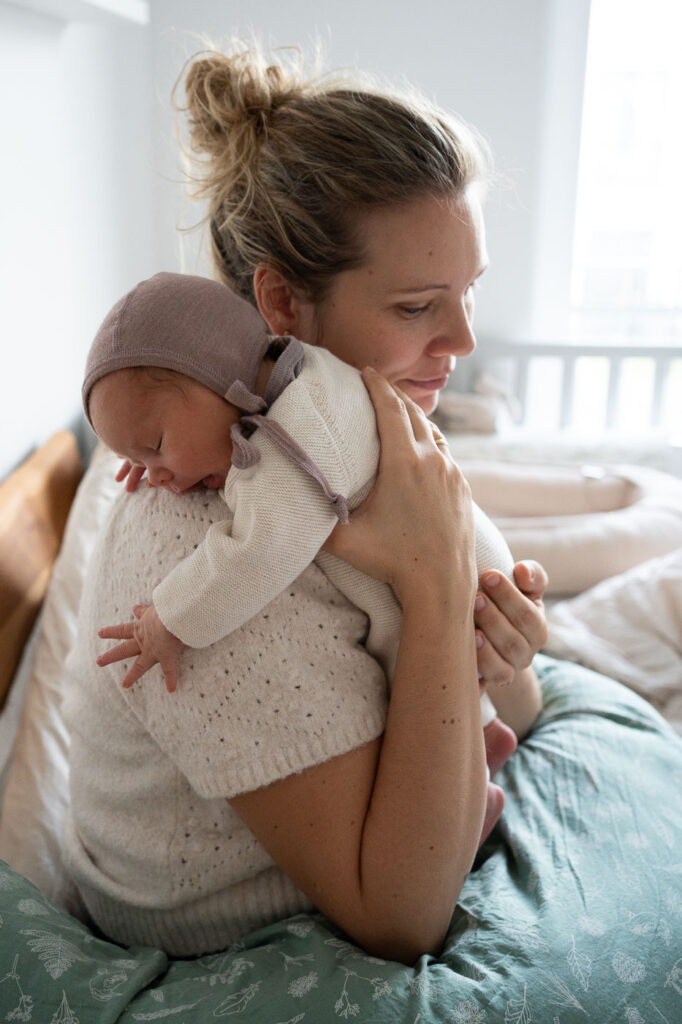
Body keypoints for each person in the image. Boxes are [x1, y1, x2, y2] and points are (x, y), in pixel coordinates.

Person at [62, 42, 547, 964]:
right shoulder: (204, 541)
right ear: (281, 302)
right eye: (416, 307)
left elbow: (518, 701)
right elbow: (402, 917)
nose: (465, 339)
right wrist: (439, 590)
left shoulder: (375, 435)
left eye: (468, 293)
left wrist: (495, 641)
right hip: (225, 944)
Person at [83, 270, 520, 843]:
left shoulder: (293, 439)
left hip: (466, 589)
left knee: (408, 659)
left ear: (218, 377)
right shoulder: (307, 376)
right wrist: (162, 451)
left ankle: (472, 774)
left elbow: (257, 551)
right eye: (134, 457)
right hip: (478, 563)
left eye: (154, 446)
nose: (155, 478)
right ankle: (485, 735)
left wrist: (170, 621)